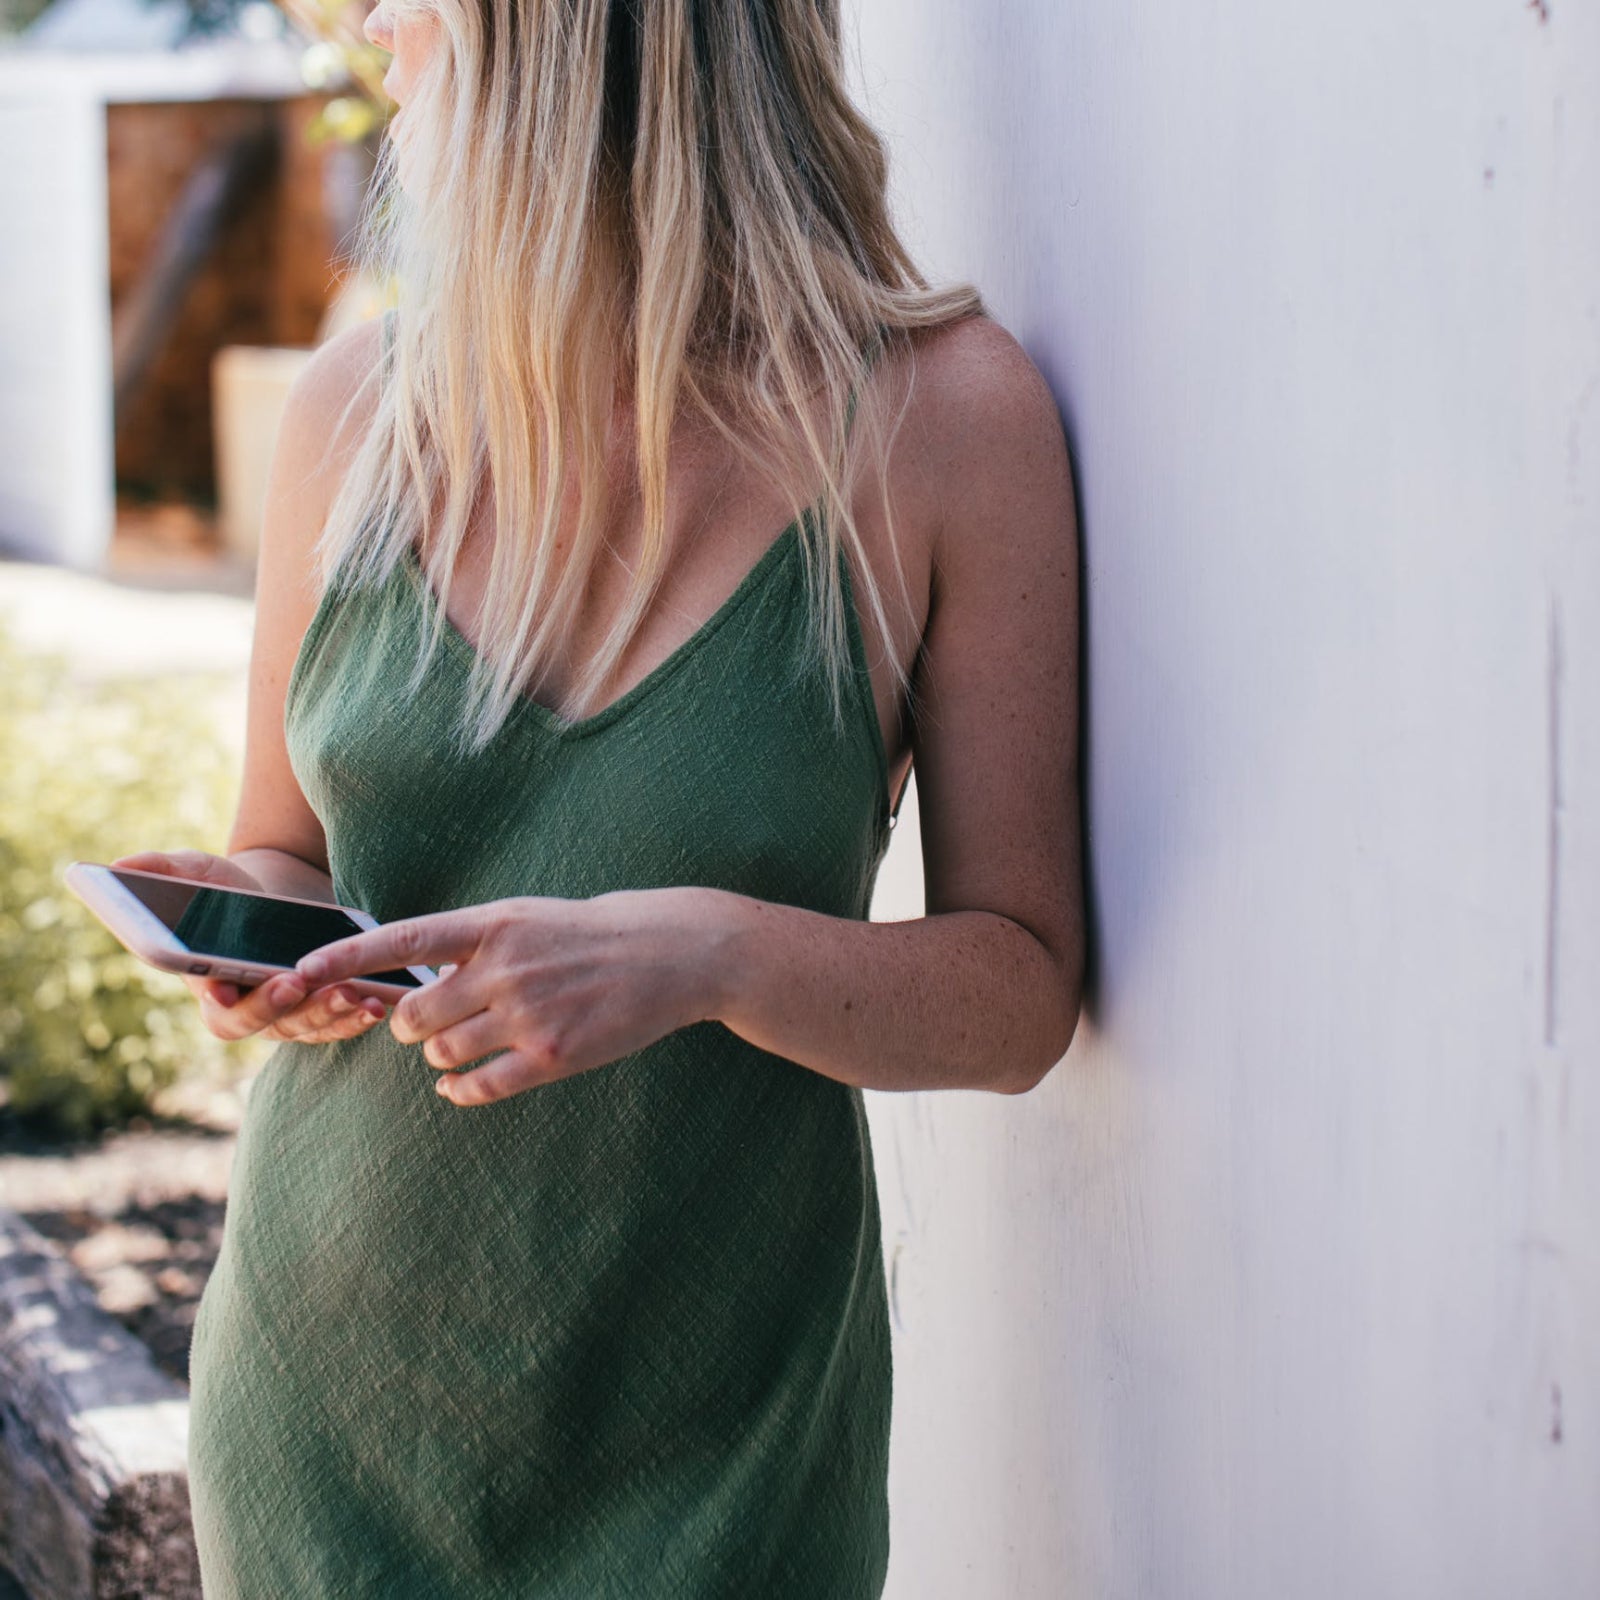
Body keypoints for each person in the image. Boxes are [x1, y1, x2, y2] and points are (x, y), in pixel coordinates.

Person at [118, 0, 1084, 1591]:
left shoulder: (943, 424)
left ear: (569, 46)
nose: (372, 29)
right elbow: (285, 846)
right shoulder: (350, 414)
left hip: (723, 1464)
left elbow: (1022, 992)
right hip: (323, 1427)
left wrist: (709, 953)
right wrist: (258, 929)